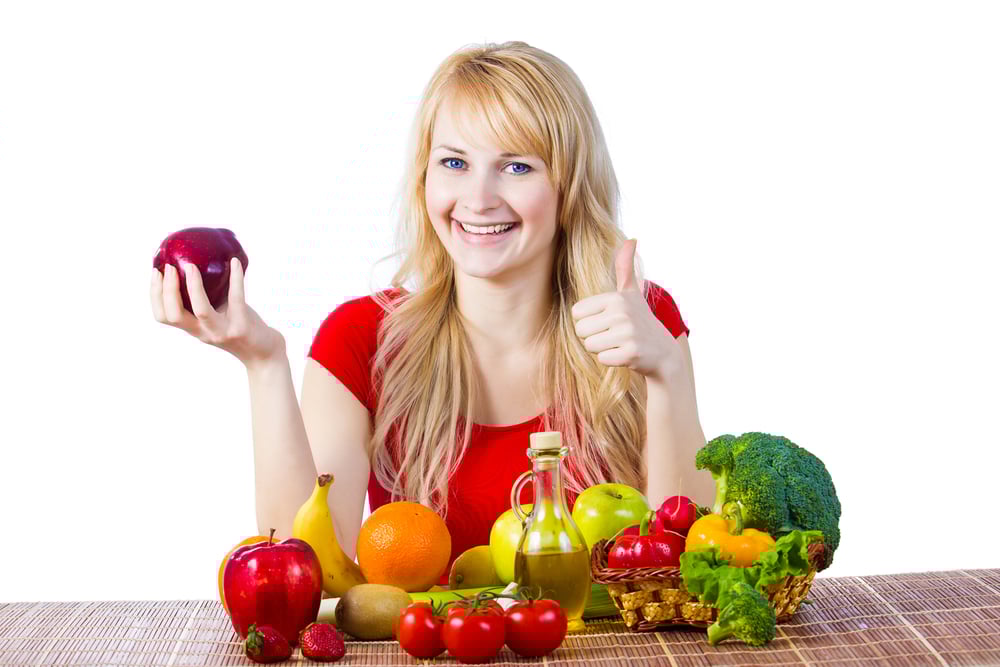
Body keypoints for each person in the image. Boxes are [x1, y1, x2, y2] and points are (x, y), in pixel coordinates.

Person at [150, 41, 714, 585]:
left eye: (516, 167)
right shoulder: (361, 340)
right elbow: (306, 569)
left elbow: (689, 563)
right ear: (425, 179)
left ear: (569, 185)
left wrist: (668, 371)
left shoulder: (639, 320)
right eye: (454, 162)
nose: (479, 198)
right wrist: (264, 363)